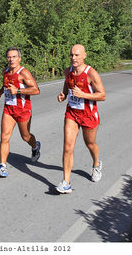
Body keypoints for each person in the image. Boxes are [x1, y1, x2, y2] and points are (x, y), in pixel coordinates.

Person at [55, 44, 106, 194]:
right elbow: (67, 85)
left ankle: (96, 164)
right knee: (67, 147)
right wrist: (63, 95)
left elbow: (102, 95)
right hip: (72, 113)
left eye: (77, 55)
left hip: (88, 114)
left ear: (84, 56)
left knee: (90, 143)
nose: (73, 58)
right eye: (71, 55)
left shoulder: (91, 74)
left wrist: (83, 95)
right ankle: (66, 182)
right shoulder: (67, 72)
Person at [0, 47, 41, 177]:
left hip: (23, 109)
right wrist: (0, 93)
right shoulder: (6, 71)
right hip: (9, 108)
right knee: (4, 137)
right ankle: (2, 166)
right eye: (9, 57)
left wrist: (18, 91)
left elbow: (36, 90)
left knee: (25, 136)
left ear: (19, 58)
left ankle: (35, 146)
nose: (11, 59)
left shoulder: (23, 73)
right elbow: (5, 85)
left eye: (14, 57)